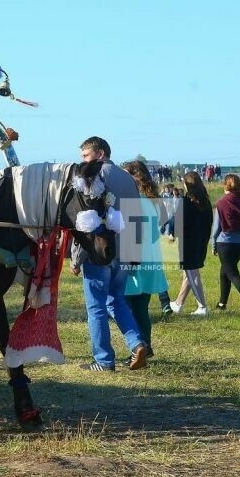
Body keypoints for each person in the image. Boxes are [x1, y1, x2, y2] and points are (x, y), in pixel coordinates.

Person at [70, 136, 148, 371]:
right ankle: (137, 343)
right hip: (125, 249)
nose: (82, 160)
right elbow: (137, 217)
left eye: (86, 155)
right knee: (117, 300)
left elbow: (84, 221)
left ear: (100, 153)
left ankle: (103, 360)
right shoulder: (128, 178)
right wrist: (136, 251)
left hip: (100, 250)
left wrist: (76, 257)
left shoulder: (91, 177)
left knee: (96, 307)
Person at [115, 161, 169, 364]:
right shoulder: (153, 200)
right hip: (151, 257)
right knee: (140, 308)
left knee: (126, 307)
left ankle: (138, 347)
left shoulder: (132, 200)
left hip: (134, 258)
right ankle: (146, 345)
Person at [170, 172, 212, 316]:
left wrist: (173, 234)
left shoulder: (186, 201)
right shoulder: (205, 201)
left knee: (191, 273)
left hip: (188, 242)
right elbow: (209, 222)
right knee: (188, 274)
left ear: (187, 184)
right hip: (201, 241)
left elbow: (178, 222)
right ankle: (178, 304)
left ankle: (202, 306)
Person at [212, 174, 240, 313]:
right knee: (224, 271)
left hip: (225, 243)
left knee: (232, 273)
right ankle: (222, 303)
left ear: (226, 185)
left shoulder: (221, 203)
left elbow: (216, 228)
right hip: (239, 243)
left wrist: (213, 245)